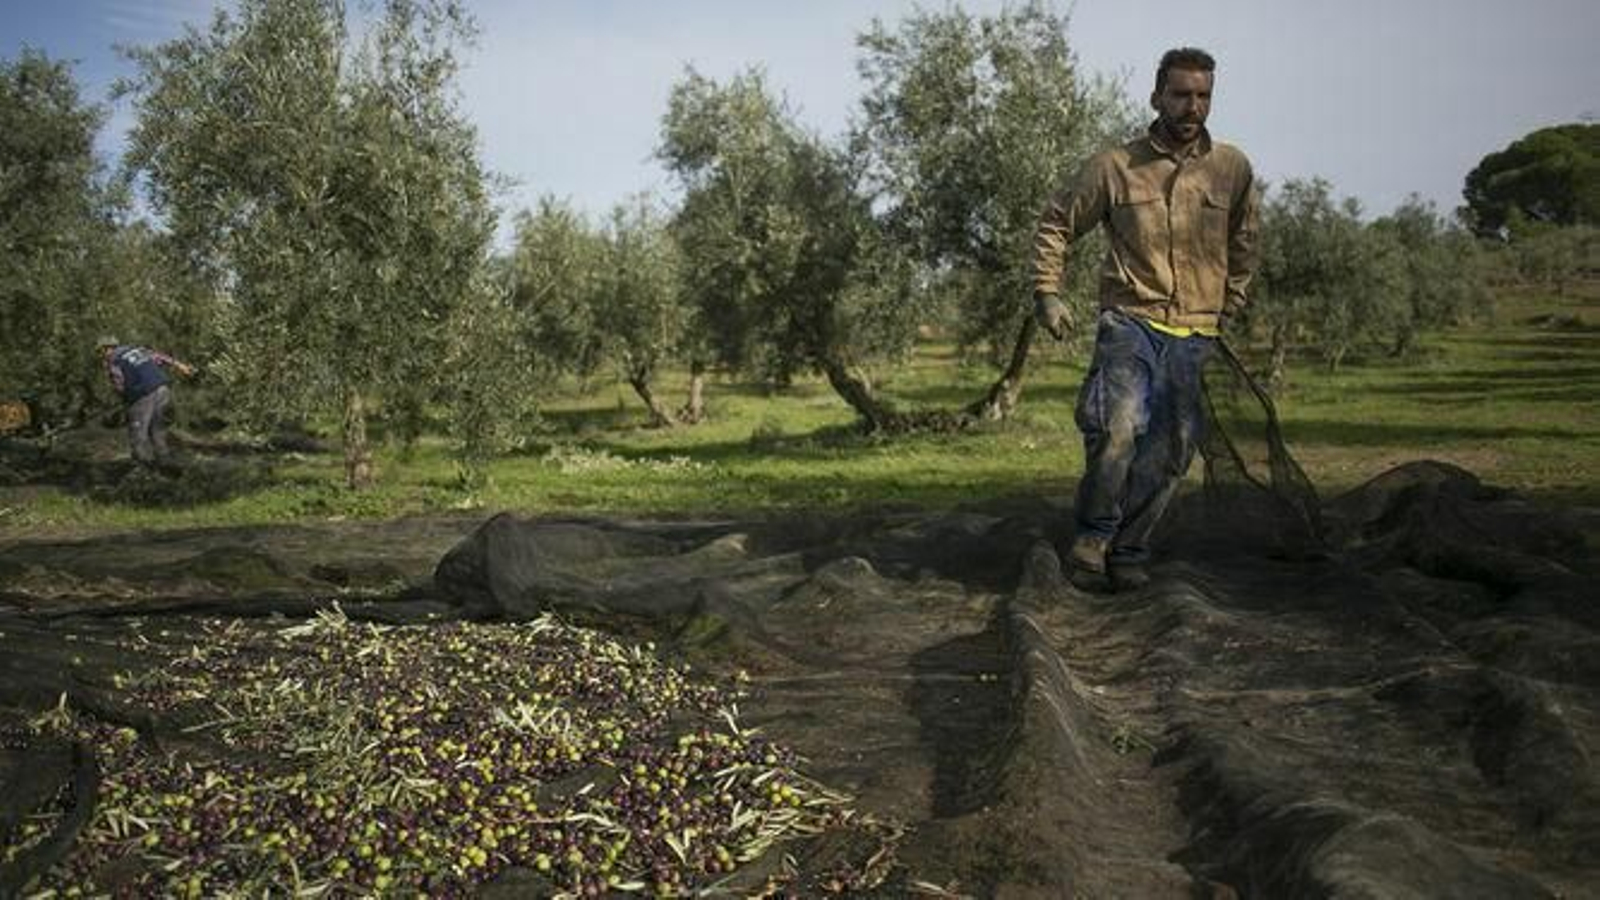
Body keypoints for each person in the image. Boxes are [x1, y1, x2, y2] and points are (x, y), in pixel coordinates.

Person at [1031, 47, 1260, 592]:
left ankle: (1130, 549)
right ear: (1157, 96)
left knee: (1174, 448)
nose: (1193, 107)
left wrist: (1230, 304)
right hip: (1130, 320)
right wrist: (1047, 291)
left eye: (1203, 96)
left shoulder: (1232, 168)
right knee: (1117, 428)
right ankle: (1094, 535)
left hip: (1196, 330)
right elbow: (1057, 223)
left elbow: (1246, 244)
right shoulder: (1116, 166)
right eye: (1181, 95)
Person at [98, 338, 196, 468]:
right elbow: (161, 357)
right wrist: (181, 366)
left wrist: (125, 402)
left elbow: (120, 385)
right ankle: (166, 465)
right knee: (157, 429)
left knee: (138, 434)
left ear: (107, 349)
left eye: (100, 352)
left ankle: (142, 471)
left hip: (143, 394)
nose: (100, 355)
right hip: (162, 388)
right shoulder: (138, 350)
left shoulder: (114, 361)